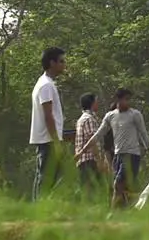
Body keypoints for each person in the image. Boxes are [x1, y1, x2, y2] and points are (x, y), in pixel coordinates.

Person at [77, 88, 149, 208]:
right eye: (125, 99)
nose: (127, 102)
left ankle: (113, 212)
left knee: (118, 184)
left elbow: (144, 134)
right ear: (118, 100)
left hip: (132, 155)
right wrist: (82, 151)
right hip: (118, 156)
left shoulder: (135, 114)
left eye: (129, 100)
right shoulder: (110, 116)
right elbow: (98, 135)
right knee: (122, 187)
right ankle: (135, 206)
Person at [30, 47, 67, 202]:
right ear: (52, 63)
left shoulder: (46, 83)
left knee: (46, 176)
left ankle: (41, 210)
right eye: (61, 61)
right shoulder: (46, 85)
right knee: (46, 177)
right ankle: (39, 211)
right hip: (48, 140)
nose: (64, 65)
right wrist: (56, 141)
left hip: (48, 139)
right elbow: (48, 115)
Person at [75, 93, 108, 197]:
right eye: (96, 101)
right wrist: (99, 161)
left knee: (87, 189)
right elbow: (92, 140)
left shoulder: (82, 119)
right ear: (92, 103)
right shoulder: (89, 119)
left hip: (84, 161)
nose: (98, 103)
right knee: (94, 190)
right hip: (90, 160)